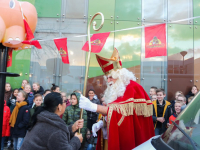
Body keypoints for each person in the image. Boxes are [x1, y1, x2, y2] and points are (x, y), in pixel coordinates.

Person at [79, 48, 155, 149]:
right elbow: (114, 114)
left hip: (131, 139)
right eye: (107, 78)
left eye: (111, 77)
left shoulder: (132, 87)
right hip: (110, 136)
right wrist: (103, 123)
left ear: (119, 76)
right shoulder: (117, 89)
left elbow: (120, 115)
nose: (109, 80)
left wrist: (94, 107)